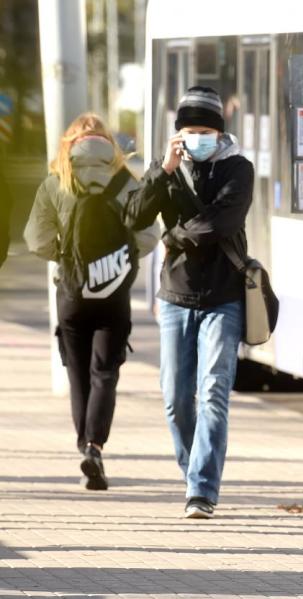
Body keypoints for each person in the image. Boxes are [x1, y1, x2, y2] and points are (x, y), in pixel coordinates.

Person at [124, 86, 253, 519]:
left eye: (205, 131)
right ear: (177, 133)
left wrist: (173, 235)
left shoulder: (238, 169)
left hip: (224, 297)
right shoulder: (168, 170)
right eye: (189, 130)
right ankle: (191, 471)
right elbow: (133, 216)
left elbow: (220, 222)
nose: (197, 138)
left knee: (214, 390)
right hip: (177, 297)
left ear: (219, 133)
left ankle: (201, 488)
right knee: (176, 397)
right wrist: (164, 170)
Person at [23, 113, 160, 490]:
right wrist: (116, 261)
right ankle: (96, 446)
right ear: (109, 146)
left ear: (69, 144)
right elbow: (149, 236)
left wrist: (67, 258)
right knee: (105, 373)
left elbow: (36, 240)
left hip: (71, 294)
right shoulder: (126, 184)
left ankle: (83, 443)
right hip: (114, 295)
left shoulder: (57, 182)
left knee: (77, 373)